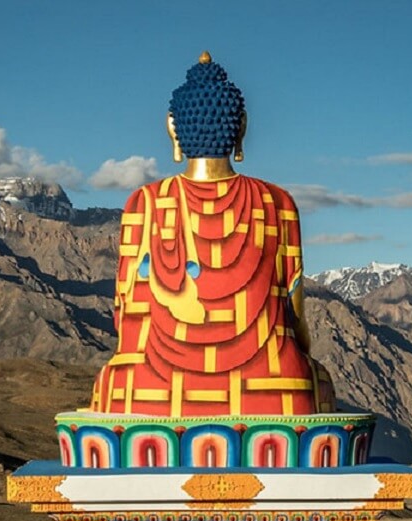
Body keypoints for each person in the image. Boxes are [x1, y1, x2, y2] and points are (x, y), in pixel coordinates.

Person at [91, 52, 335, 417]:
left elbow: (125, 312)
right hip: (272, 385)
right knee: (315, 382)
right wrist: (302, 355)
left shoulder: (144, 203)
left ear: (173, 128)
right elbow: (295, 313)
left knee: (114, 386)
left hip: (152, 388)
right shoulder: (277, 202)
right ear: (242, 127)